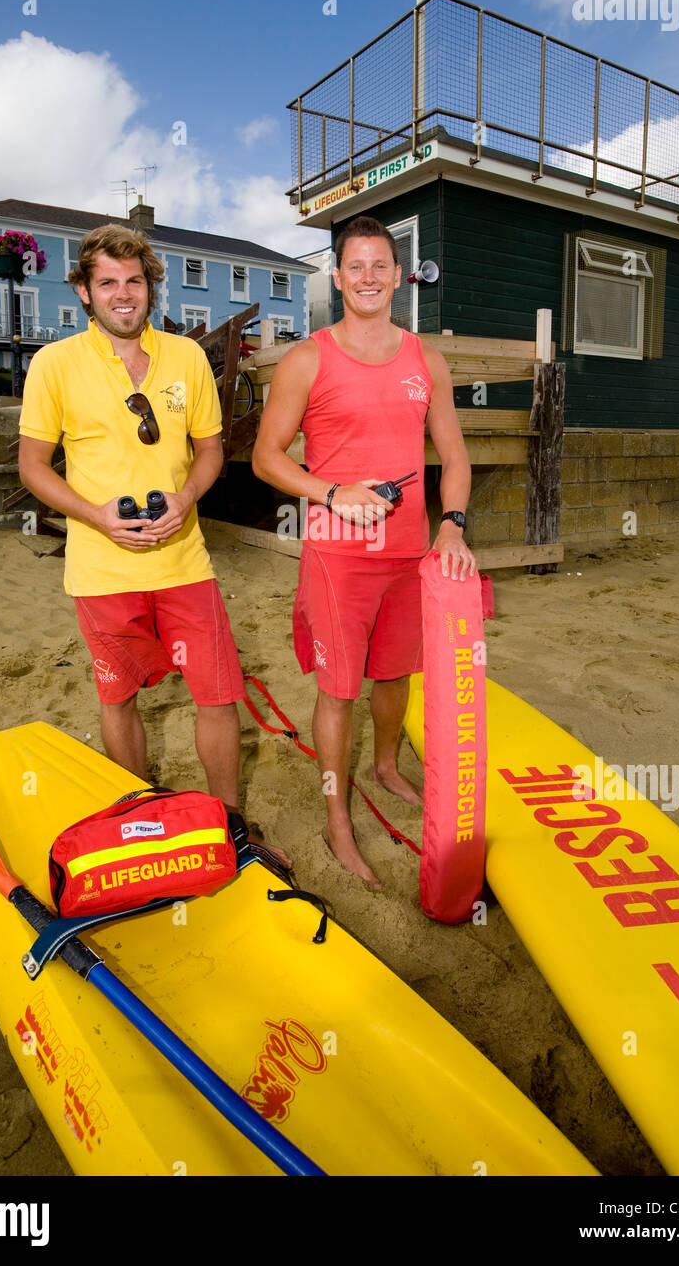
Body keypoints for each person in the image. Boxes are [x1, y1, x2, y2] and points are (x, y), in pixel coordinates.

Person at [19, 223, 288, 863]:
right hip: (100, 570)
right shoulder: (53, 365)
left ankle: (232, 829)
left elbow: (211, 450)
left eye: (133, 281)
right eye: (107, 282)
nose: (123, 294)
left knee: (218, 697)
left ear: (150, 286)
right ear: (83, 291)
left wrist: (188, 498)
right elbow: (32, 468)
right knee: (118, 697)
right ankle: (138, 821)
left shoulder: (187, 357)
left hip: (183, 562)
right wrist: (94, 515)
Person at [252, 214, 475, 889]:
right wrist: (329, 491)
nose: (371, 276)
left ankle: (384, 768)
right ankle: (337, 815)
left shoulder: (424, 359)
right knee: (337, 690)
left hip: (409, 557)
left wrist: (452, 525)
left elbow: (456, 457)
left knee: (394, 677)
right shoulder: (307, 358)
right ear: (339, 275)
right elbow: (265, 457)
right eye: (358, 266)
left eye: (383, 265)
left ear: (399, 276)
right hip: (337, 558)